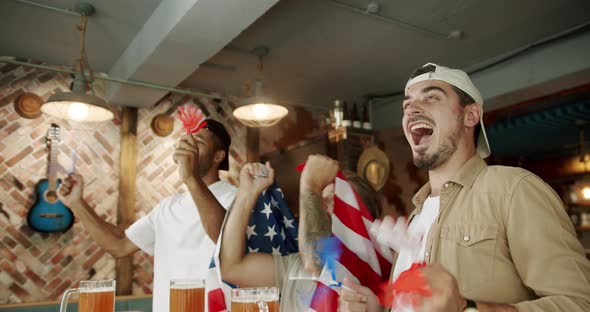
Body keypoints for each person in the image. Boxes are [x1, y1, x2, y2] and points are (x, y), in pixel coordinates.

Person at [339, 63, 590, 312]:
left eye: (431, 98)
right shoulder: (416, 216)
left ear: (471, 115)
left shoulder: (514, 190)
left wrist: (467, 309)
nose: (412, 109)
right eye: (407, 104)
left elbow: (579, 304)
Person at [58, 119, 237, 312]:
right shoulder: (166, 207)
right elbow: (118, 245)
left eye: (199, 142)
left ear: (218, 156)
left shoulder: (236, 197)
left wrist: (190, 177)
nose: (190, 146)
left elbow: (225, 241)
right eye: (188, 140)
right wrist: (77, 203)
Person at [219, 155, 382, 310]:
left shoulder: (370, 271)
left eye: (333, 200)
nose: (321, 206)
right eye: (319, 200)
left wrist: (311, 186)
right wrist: (247, 194)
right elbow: (232, 268)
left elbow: (317, 262)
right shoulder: (296, 265)